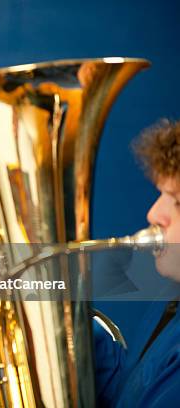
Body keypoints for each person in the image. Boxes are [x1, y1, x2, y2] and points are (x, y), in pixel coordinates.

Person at [95, 119, 180, 407]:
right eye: (161, 194)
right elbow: (130, 390)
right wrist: (62, 320)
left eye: (177, 201)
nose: (154, 213)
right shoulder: (170, 299)